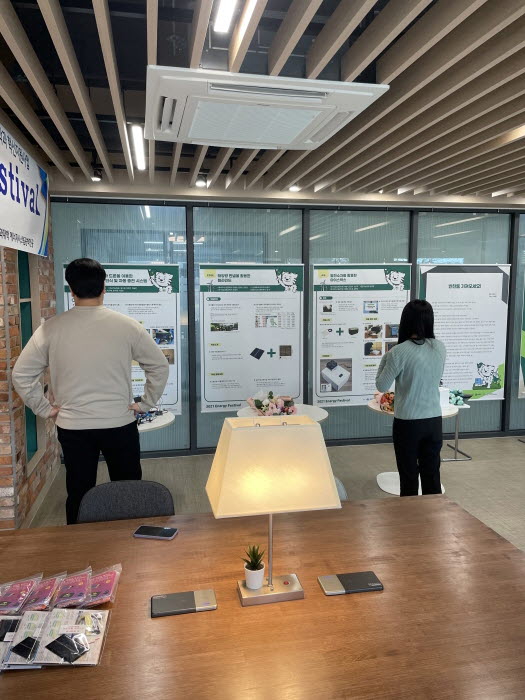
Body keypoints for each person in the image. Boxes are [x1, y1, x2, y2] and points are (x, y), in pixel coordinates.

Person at [12, 258, 169, 524]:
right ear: (104, 287)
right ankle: (130, 540)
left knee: (79, 493)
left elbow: (21, 375)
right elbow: (159, 366)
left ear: (71, 290)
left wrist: (45, 409)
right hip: (119, 423)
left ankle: (79, 545)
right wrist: (145, 403)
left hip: (74, 427)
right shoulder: (127, 325)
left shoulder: (50, 329)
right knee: (129, 489)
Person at [375, 300, 446, 497]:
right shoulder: (439, 347)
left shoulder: (398, 352)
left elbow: (381, 385)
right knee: (432, 473)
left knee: (408, 475)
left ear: (405, 321)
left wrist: (386, 357)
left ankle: (410, 513)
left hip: (408, 422)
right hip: (434, 421)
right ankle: (434, 512)